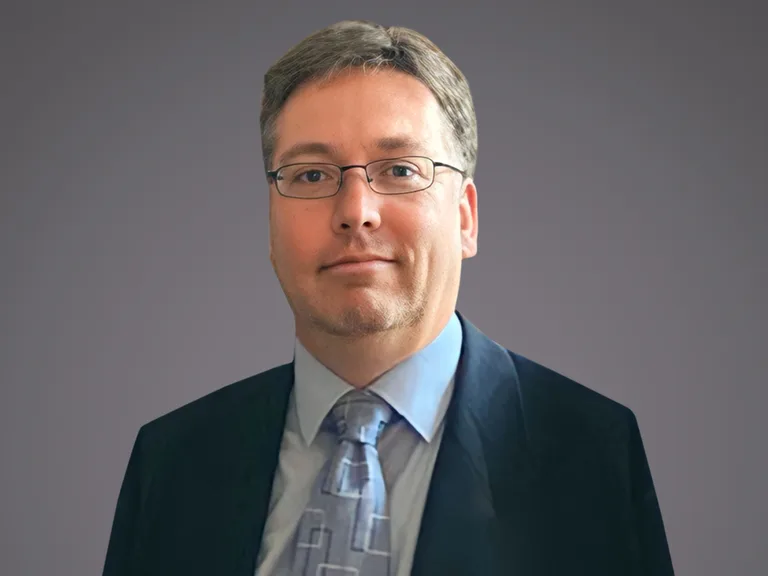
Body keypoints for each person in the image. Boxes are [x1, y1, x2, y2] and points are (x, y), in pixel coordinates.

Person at [102, 19, 675, 576]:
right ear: (271, 221)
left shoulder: (590, 453)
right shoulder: (173, 460)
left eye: (400, 169)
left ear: (466, 218)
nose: (355, 212)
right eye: (310, 175)